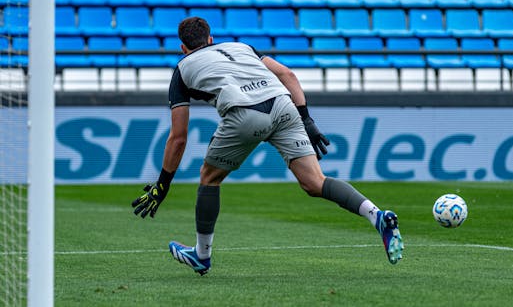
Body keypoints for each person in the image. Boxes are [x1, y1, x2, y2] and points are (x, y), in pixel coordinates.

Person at [132, 17, 404, 275]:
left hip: (245, 114)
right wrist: (306, 119)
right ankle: (376, 215)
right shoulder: (241, 46)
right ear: (211, 38)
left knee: (209, 178)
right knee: (314, 181)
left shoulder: (181, 69)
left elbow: (178, 137)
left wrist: (163, 184)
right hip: (284, 104)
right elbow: (288, 74)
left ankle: (201, 255)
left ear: (183, 47)